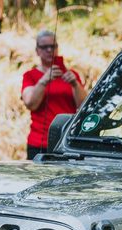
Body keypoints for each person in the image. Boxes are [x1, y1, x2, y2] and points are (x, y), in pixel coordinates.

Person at [21, 30, 85, 160]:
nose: (49, 50)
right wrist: (44, 80)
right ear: (37, 50)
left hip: (67, 142)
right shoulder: (30, 76)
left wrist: (75, 84)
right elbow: (30, 103)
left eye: (53, 46)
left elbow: (83, 107)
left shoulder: (72, 75)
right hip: (39, 142)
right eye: (44, 47)